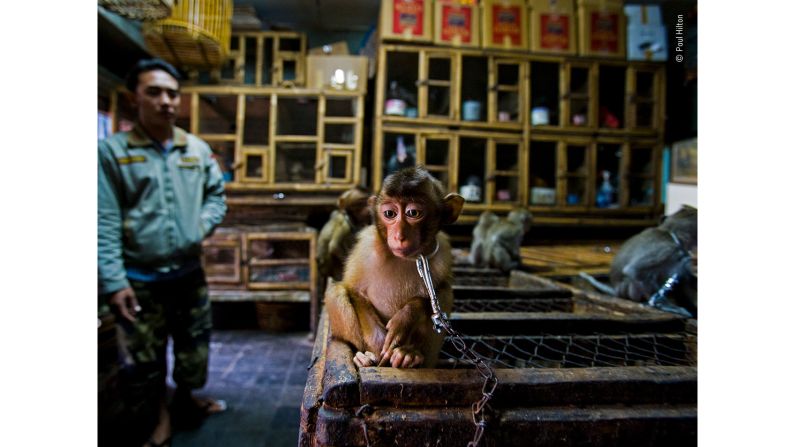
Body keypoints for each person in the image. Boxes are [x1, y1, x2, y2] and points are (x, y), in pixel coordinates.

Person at [98, 58, 228, 447]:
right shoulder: (113, 154)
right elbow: (101, 219)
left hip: (188, 274)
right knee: (145, 361)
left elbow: (216, 197)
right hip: (140, 280)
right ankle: (158, 419)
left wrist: (198, 226)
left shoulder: (196, 149)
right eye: (154, 91)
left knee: (193, 349)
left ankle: (187, 401)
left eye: (172, 92)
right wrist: (114, 281)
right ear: (133, 97)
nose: (166, 100)